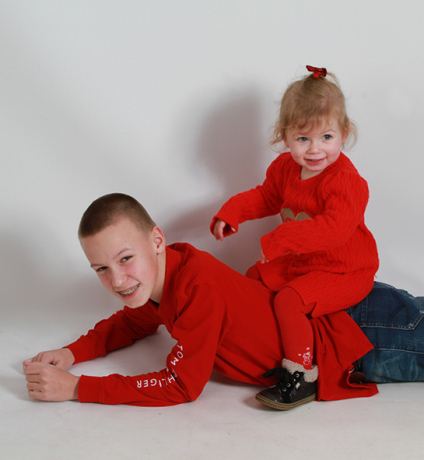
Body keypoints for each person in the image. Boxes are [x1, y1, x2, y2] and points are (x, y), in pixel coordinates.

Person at [23, 193, 424, 408]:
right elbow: (130, 323)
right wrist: (72, 352)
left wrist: (78, 389)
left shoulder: (198, 289)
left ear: (157, 240)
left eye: (125, 259)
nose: (118, 280)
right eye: (101, 269)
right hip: (337, 316)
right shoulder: (165, 276)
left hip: (354, 335)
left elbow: (180, 385)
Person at [211, 65, 379, 410]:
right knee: (255, 276)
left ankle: (302, 374)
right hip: (306, 262)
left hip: (345, 269)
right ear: (284, 137)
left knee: (288, 299)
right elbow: (266, 197)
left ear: (344, 133)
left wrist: (281, 239)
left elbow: (334, 230)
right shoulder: (285, 168)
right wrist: (233, 212)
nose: (315, 150)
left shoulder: (345, 181)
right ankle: (264, 345)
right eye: (303, 139)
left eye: (326, 138)